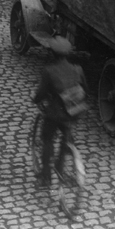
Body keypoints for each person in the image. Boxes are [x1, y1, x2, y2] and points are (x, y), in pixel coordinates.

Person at [32, 37, 88, 188]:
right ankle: (61, 166)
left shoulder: (49, 71)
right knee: (67, 137)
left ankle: (45, 178)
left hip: (56, 114)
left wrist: (36, 100)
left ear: (52, 54)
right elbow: (85, 90)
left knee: (47, 139)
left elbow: (41, 94)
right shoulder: (78, 69)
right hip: (74, 113)